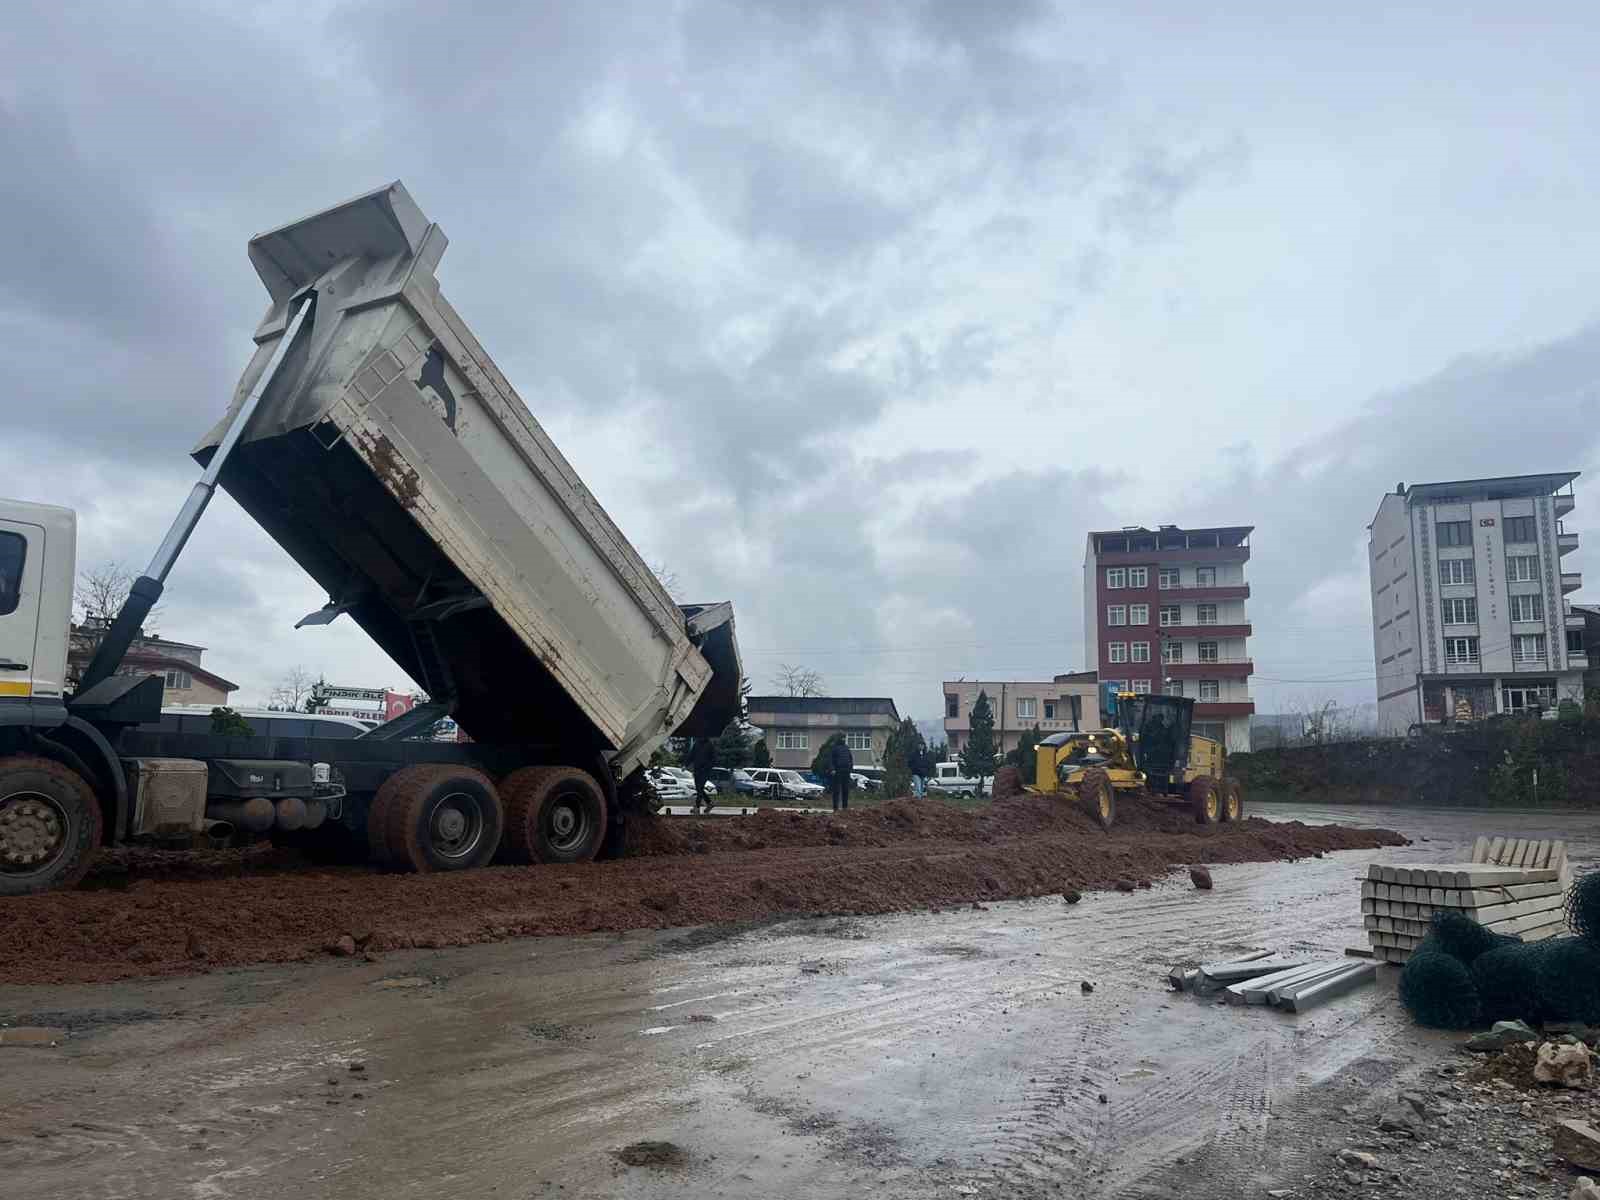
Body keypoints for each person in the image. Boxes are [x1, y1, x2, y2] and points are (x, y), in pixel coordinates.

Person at [690, 737, 716, 815]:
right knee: (699, 789)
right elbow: (691, 755)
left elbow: (713, 758)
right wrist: (685, 764)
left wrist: (708, 766)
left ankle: (697, 807)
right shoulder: (696, 744)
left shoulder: (710, 745)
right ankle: (710, 803)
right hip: (697, 770)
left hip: (705, 771)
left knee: (700, 788)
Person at [829, 736, 854, 812]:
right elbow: (830, 760)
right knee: (836, 790)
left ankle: (845, 807)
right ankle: (835, 808)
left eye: (844, 738)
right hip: (837, 771)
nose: (843, 739)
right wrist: (832, 769)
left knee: (845, 790)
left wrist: (850, 767)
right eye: (842, 738)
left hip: (846, 771)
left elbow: (850, 758)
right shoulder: (834, 748)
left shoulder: (847, 748)